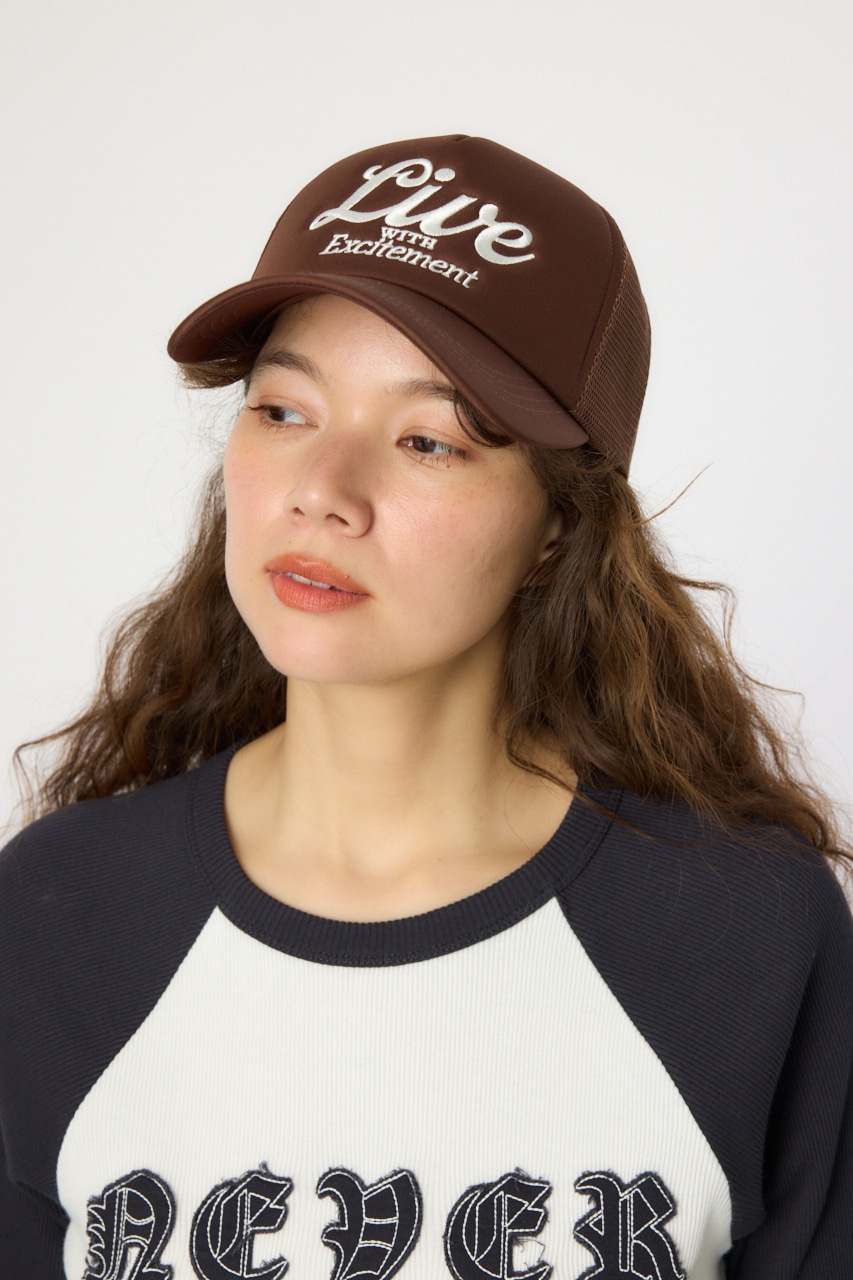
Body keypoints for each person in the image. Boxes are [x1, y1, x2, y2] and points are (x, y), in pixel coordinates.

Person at [1, 135, 850, 1280]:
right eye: (283, 410)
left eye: (426, 440)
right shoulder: (57, 914)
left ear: (559, 525)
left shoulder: (740, 928)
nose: (322, 491)